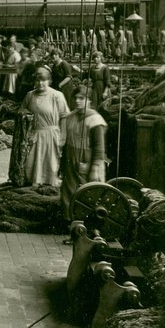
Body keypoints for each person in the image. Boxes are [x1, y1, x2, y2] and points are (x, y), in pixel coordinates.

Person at [58, 82, 107, 226]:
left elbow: (99, 147)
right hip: (70, 158)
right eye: (76, 98)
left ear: (89, 100)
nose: (77, 101)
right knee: (68, 191)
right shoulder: (71, 117)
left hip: (87, 160)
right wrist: (62, 164)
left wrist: (95, 167)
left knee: (85, 192)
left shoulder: (95, 120)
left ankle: (85, 223)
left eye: (82, 98)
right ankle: (69, 221)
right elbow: (66, 142)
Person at [19, 65, 71, 186]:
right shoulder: (30, 95)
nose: (40, 83)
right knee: (31, 165)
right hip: (34, 135)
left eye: (43, 80)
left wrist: (63, 137)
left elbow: (64, 116)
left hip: (51, 136)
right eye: (38, 80)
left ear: (49, 81)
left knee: (50, 166)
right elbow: (21, 111)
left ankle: (48, 188)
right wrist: (25, 115)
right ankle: (34, 187)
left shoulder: (57, 96)